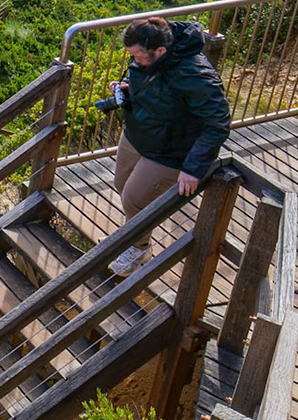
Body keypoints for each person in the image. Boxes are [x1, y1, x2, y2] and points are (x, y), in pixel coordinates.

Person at [96, 17, 231, 275]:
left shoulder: (196, 75)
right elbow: (154, 86)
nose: (135, 60)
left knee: (135, 199)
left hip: (171, 151)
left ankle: (139, 248)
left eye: (139, 56)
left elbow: (218, 122)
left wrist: (194, 167)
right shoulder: (147, 54)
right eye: (131, 55)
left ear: (161, 51)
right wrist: (127, 88)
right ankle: (131, 237)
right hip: (138, 134)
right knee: (122, 187)